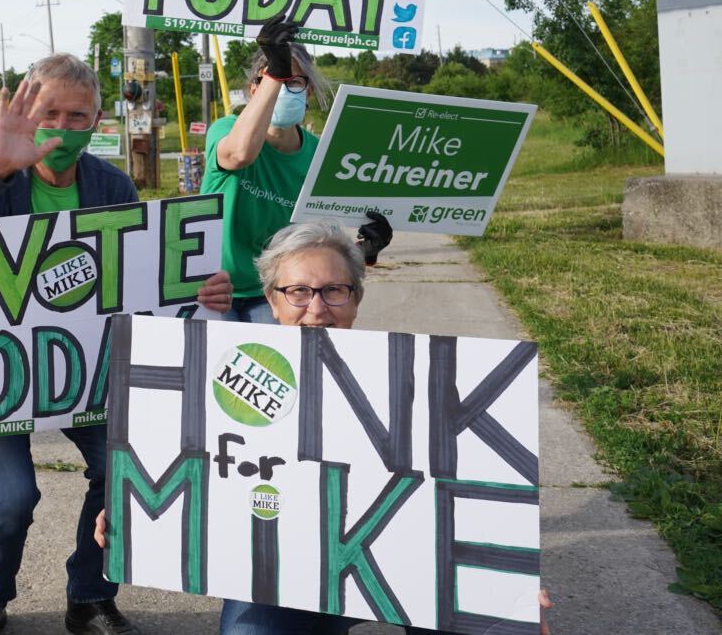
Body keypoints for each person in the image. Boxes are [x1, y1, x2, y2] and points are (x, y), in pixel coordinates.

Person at [97, 221, 552, 634]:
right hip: (277, 574)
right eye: (297, 291)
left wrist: (508, 588)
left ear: (356, 297)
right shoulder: (225, 382)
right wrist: (130, 512)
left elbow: (471, 490)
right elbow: (179, 469)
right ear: (272, 300)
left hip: (401, 565)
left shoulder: (417, 383)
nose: (316, 308)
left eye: (334, 290)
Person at [0, 55, 142, 635]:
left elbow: (141, 275)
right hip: (1, 373)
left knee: (122, 467)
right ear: (25, 112)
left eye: (79, 115)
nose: (64, 128)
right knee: (12, 495)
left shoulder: (112, 185)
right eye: (51, 113)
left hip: (86, 370)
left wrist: (199, 287)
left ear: (98, 119)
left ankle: (90, 597)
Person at [195, 14, 390, 319]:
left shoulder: (318, 155)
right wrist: (276, 72)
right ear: (254, 89)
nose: (284, 88)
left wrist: (362, 252)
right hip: (215, 288)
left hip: (277, 291)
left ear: (308, 91)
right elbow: (239, 154)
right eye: (274, 79)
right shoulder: (225, 129)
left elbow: (322, 237)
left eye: (293, 81)